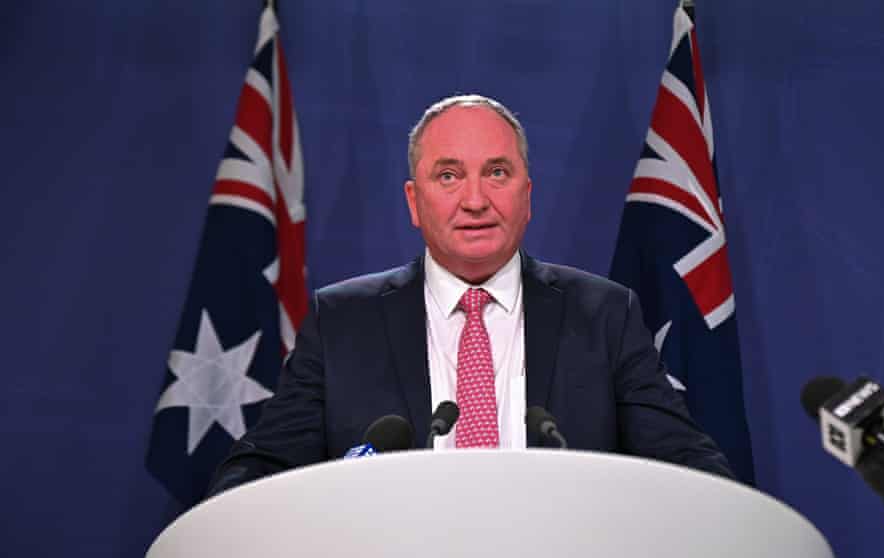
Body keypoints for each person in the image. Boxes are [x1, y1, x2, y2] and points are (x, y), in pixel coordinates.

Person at [207, 94, 733, 496]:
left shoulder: (604, 315)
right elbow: (255, 477)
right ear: (415, 202)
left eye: (497, 173)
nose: (475, 200)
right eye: (449, 175)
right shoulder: (342, 321)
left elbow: (692, 472)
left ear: (528, 195)